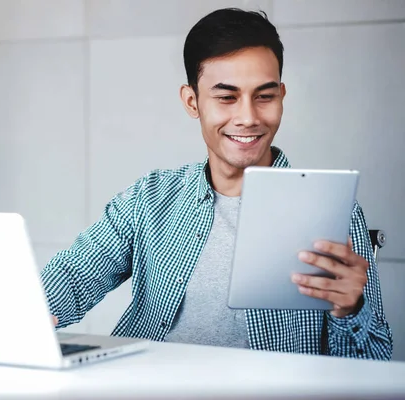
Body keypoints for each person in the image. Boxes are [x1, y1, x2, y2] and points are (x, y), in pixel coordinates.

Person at [40, 8, 392, 360]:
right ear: (192, 101)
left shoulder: (331, 211)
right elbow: (71, 277)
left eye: (264, 96)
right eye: (226, 97)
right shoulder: (148, 200)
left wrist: (350, 309)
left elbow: (373, 360)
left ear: (282, 96)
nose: (248, 117)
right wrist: (18, 312)